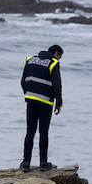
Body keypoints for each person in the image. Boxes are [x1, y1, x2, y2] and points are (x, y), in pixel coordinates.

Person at [20, 44, 63, 172]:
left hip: (31, 101)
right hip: (45, 103)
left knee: (30, 132)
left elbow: (23, 81)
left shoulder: (30, 59)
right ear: (56, 53)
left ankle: (26, 163)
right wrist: (58, 103)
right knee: (43, 133)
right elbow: (57, 85)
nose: (59, 59)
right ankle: (43, 164)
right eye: (59, 57)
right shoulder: (53, 63)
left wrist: (28, 94)